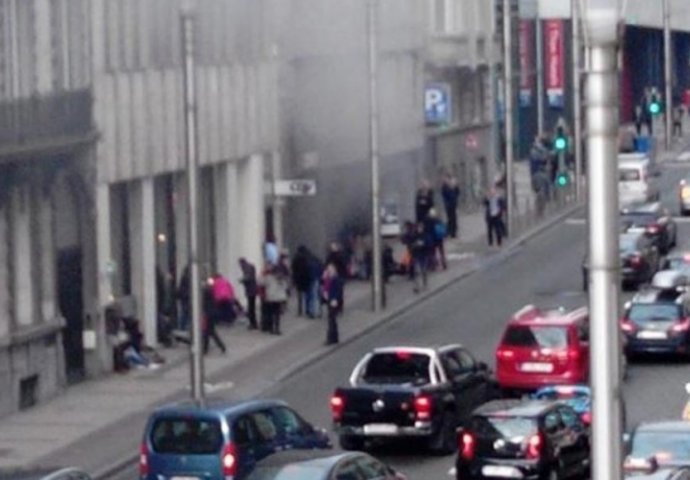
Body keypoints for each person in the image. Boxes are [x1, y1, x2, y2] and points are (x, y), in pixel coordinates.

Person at [261, 263, 289, 335]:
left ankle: (271, 328)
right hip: (279, 298)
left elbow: (261, 283)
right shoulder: (282, 278)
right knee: (277, 314)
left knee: (271, 313)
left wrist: (264, 273)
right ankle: (277, 328)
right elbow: (285, 287)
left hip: (271, 298)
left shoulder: (269, 277)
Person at [202, 280, 227, 354]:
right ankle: (221, 346)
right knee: (210, 331)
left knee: (207, 331)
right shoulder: (211, 291)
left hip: (208, 313)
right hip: (212, 313)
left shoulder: (206, 292)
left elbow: (204, 303)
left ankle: (206, 349)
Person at [324, 263, 344, 345]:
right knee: (332, 320)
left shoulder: (336, 279)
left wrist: (335, 299)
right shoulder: (329, 279)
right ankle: (334, 338)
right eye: (328, 270)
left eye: (330, 270)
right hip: (330, 300)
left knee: (331, 320)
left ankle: (331, 338)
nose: (329, 272)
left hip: (333, 301)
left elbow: (338, 291)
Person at [291, 246, 312, 317]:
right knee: (307, 295)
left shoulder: (295, 258)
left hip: (298, 278)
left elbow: (293, 269)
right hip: (306, 278)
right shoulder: (307, 258)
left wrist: (294, 279)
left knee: (299, 296)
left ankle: (300, 310)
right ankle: (307, 309)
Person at [239, 258, 258, 330]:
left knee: (251, 307)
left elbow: (248, 278)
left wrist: (242, 280)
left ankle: (252, 324)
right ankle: (254, 323)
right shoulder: (250, 266)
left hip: (250, 290)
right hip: (252, 289)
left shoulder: (246, 268)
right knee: (251, 307)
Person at [411, 222, 430, 293]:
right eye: (419, 228)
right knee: (417, 271)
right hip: (417, 255)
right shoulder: (415, 236)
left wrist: (423, 244)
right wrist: (415, 245)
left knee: (424, 271)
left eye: (421, 228)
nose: (419, 229)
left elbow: (429, 244)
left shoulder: (425, 235)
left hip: (424, 255)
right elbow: (411, 245)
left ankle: (425, 284)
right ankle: (416, 286)